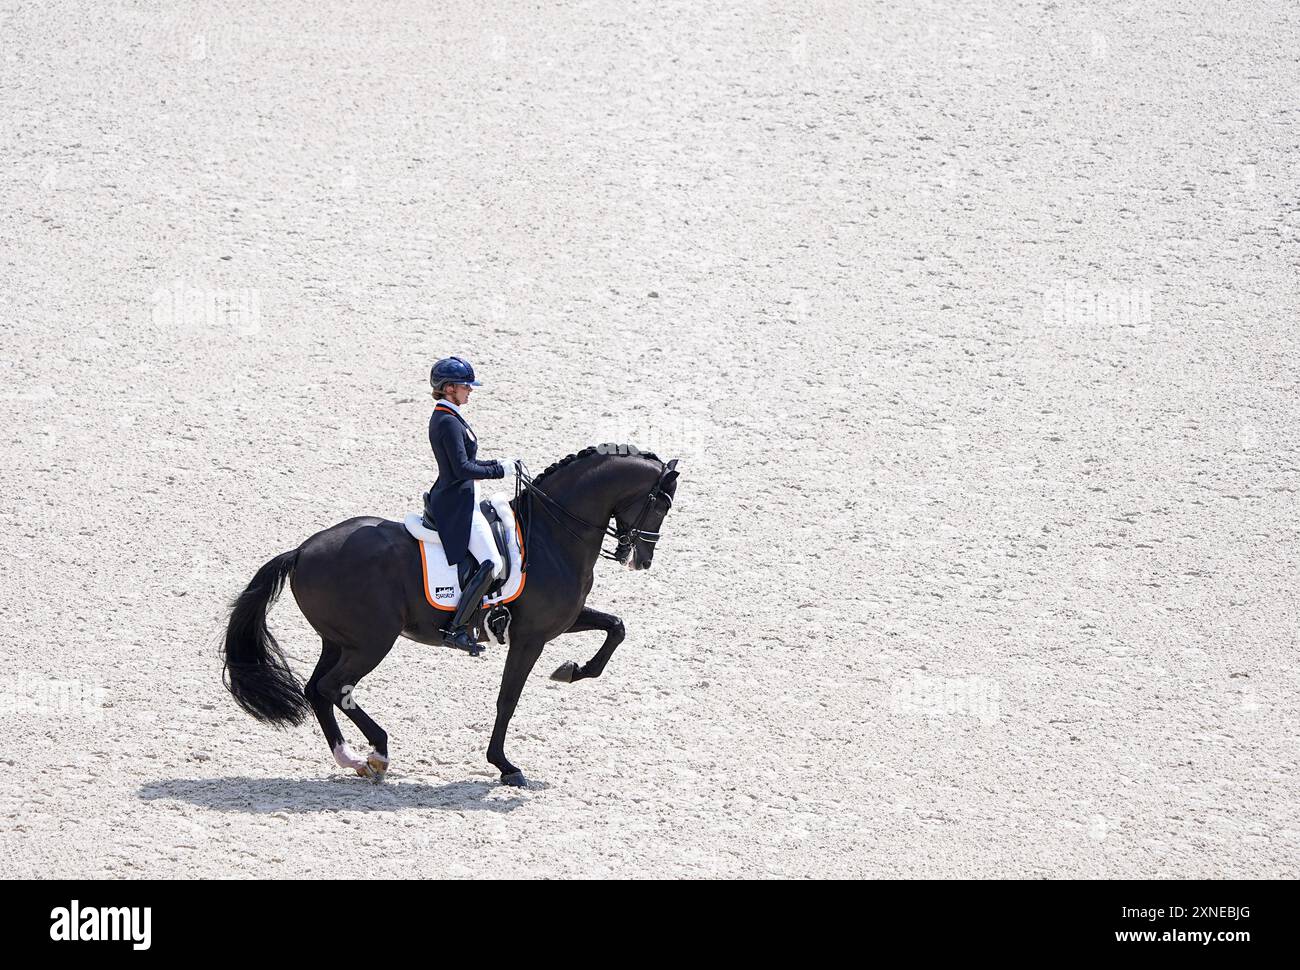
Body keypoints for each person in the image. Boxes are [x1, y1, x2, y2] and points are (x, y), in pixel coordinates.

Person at [425, 356, 518, 653]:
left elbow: (468, 462)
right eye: (466, 386)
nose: (470, 391)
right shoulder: (447, 421)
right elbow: (462, 468)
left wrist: (499, 463)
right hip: (457, 503)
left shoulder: (451, 416)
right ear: (449, 388)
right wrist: (498, 471)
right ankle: (456, 628)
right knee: (493, 563)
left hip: (466, 495)